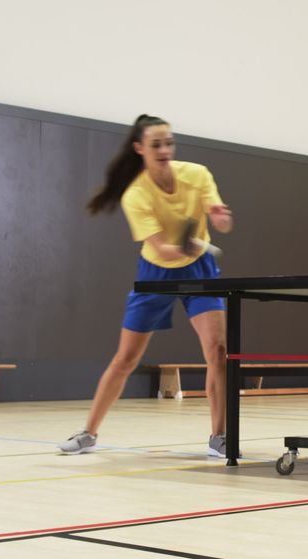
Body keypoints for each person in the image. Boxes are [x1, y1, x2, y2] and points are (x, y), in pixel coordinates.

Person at [59, 114, 232, 455]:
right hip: (156, 272)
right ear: (140, 148)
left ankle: (219, 437)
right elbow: (161, 249)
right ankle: (88, 433)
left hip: (200, 268)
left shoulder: (197, 174)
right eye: (156, 144)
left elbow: (218, 215)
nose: (165, 149)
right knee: (126, 358)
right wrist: (181, 245)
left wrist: (220, 217)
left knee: (218, 352)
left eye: (169, 142)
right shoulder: (135, 194)